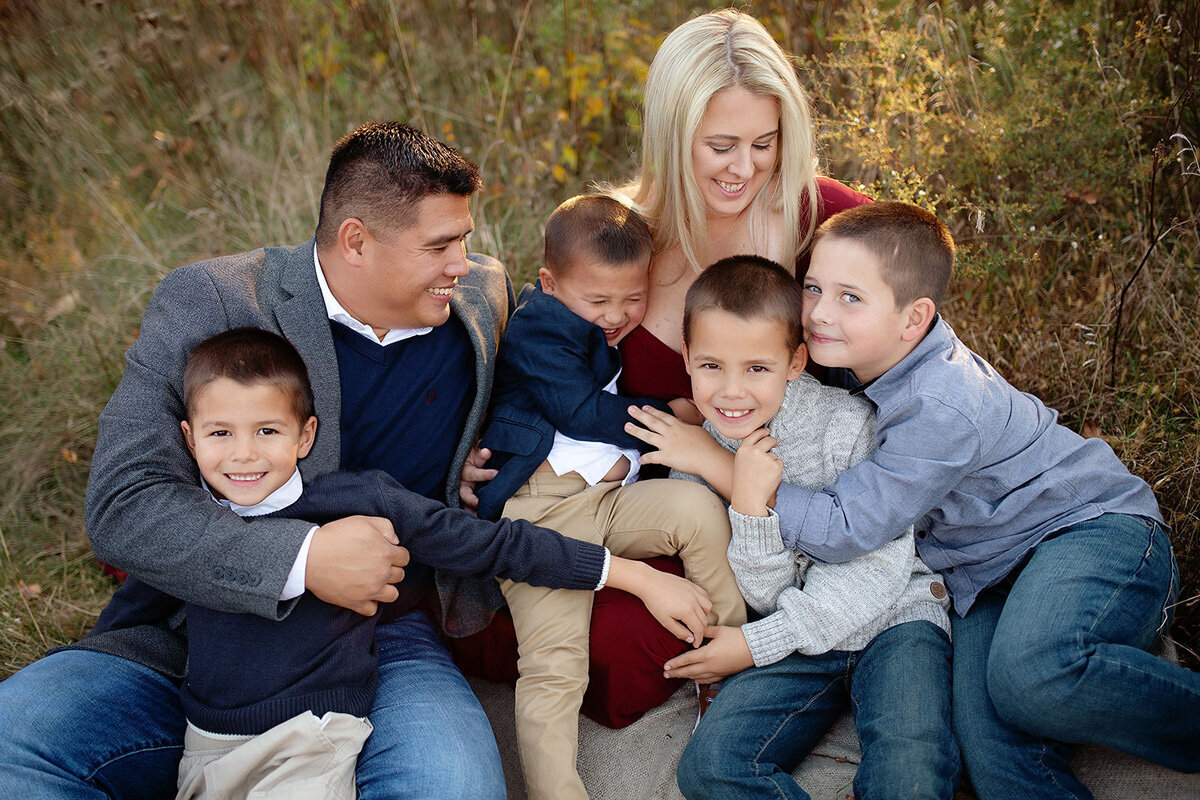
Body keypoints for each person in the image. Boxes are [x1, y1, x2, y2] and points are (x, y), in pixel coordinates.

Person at [0, 121, 554, 799]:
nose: (462, 261)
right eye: (440, 245)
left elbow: (539, 380)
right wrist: (305, 559)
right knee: (16, 741)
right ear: (356, 241)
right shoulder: (215, 301)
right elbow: (125, 503)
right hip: (204, 634)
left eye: (464, 239)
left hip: (386, 640)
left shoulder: (475, 298)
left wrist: (486, 452)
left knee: (455, 787)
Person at [735, 201, 1197, 797]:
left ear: (914, 317)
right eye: (813, 288)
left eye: (850, 297)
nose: (819, 313)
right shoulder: (853, 356)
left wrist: (724, 469)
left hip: (1089, 533)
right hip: (982, 572)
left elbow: (844, 526)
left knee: (1031, 678)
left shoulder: (941, 403)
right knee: (992, 741)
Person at [140, 327, 707, 799]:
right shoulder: (188, 520)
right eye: (221, 434)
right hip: (206, 742)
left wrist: (630, 574)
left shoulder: (357, 502)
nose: (243, 453)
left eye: (267, 431)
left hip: (308, 738)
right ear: (189, 440)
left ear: (305, 434)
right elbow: (144, 576)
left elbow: (496, 545)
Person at [628, 255, 957, 800]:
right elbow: (766, 593)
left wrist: (758, 644)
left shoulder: (849, 424)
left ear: (796, 361)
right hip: (802, 641)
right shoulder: (697, 457)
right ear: (686, 357)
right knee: (710, 767)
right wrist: (751, 509)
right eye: (711, 366)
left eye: (757, 368)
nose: (732, 392)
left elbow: (878, 564)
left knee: (910, 769)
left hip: (896, 618)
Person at [472, 195, 745, 800]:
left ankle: (731, 653)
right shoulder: (539, 325)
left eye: (632, 299)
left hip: (607, 504)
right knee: (555, 667)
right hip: (540, 512)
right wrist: (664, 414)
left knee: (696, 510)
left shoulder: (598, 319)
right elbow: (577, 408)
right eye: (597, 301)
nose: (616, 316)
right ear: (549, 283)